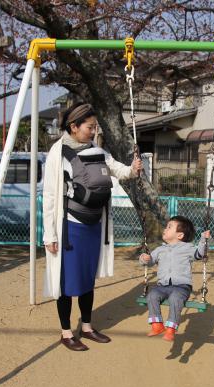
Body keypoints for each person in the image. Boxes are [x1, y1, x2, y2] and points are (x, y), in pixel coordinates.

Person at [43, 102, 142, 352]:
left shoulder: (95, 149)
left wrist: (132, 170)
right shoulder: (58, 153)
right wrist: (49, 234)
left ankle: (86, 327)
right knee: (66, 283)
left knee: (88, 279)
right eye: (90, 127)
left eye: (95, 127)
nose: (93, 131)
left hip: (94, 225)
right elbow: (50, 197)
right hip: (70, 228)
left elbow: (116, 169)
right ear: (74, 127)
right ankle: (66, 332)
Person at [139, 216, 210, 341]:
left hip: (181, 287)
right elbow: (149, 262)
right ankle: (157, 325)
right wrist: (144, 258)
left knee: (175, 298)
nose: (165, 229)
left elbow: (199, 254)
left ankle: (171, 329)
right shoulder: (159, 250)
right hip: (162, 286)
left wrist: (203, 239)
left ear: (180, 235)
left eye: (169, 227)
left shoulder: (187, 248)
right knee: (151, 296)